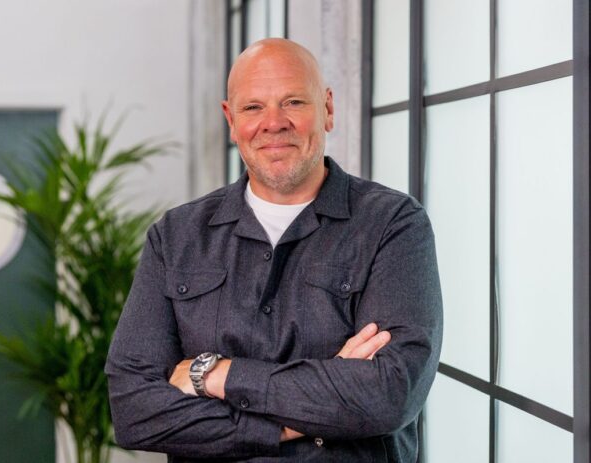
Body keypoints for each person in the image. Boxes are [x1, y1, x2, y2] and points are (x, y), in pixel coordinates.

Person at [106, 38, 442, 462]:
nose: (273, 123)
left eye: (293, 102)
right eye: (253, 107)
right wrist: (297, 418)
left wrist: (217, 374)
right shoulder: (175, 236)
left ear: (328, 109)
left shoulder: (394, 224)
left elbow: (389, 395)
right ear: (231, 120)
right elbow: (134, 410)